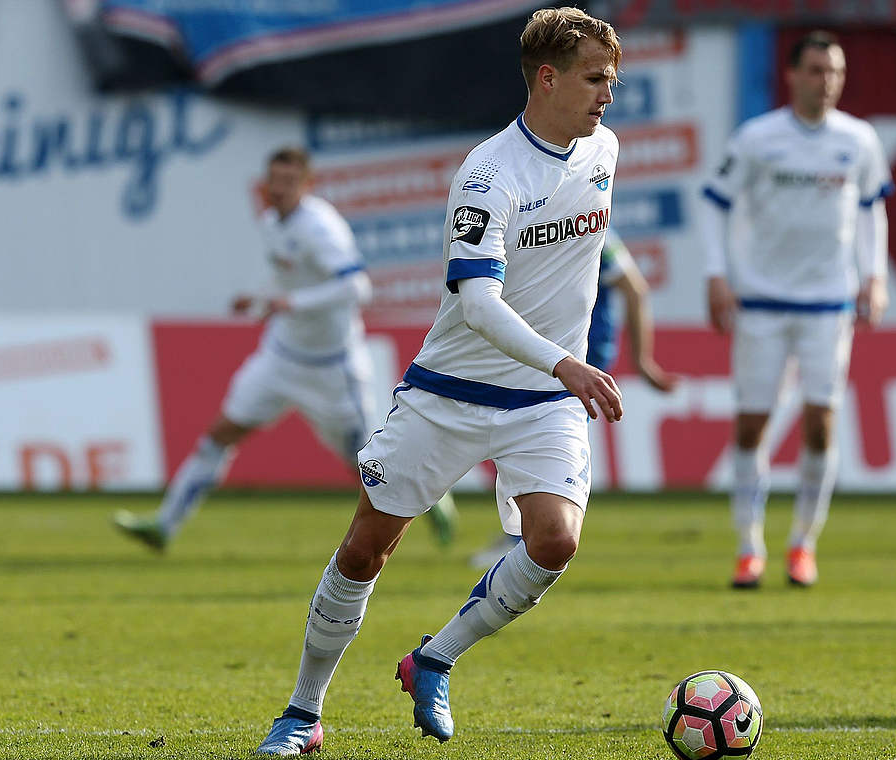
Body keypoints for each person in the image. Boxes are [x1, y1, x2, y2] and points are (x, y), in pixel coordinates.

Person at [254, 8, 622, 754]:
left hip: (545, 398)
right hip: (452, 391)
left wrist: (576, 355)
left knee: (554, 542)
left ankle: (434, 659)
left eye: (612, 80)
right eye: (595, 79)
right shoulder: (488, 176)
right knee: (365, 550)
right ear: (547, 79)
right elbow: (477, 302)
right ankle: (302, 712)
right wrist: (567, 360)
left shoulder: (603, 147)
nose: (608, 96)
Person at [112, 147, 458, 552]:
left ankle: (433, 502)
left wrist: (289, 304)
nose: (278, 189)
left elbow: (356, 288)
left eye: (289, 182)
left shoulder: (321, 228)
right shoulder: (272, 221)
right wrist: (261, 299)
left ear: (307, 186)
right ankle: (164, 526)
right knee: (222, 433)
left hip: (333, 367)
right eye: (273, 180)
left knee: (367, 465)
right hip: (281, 355)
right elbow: (289, 277)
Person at [699, 30, 892, 590]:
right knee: (751, 425)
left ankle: (803, 545)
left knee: (821, 425)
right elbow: (715, 205)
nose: (825, 81)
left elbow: (872, 211)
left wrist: (874, 278)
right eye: (815, 70)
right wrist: (717, 275)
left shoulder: (859, 140)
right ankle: (747, 546)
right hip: (761, 301)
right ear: (793, 75)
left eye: (834, 71)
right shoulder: (759, 139)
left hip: (828, 303)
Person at [468, 231, 678, 569]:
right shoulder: (540, 219)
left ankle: (523, 538)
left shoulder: (591, 228)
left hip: (577, 354)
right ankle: (525, 534)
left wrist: (643, 362)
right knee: (528, 436)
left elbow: (633, 288)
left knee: (531, 436)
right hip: (549, 353)